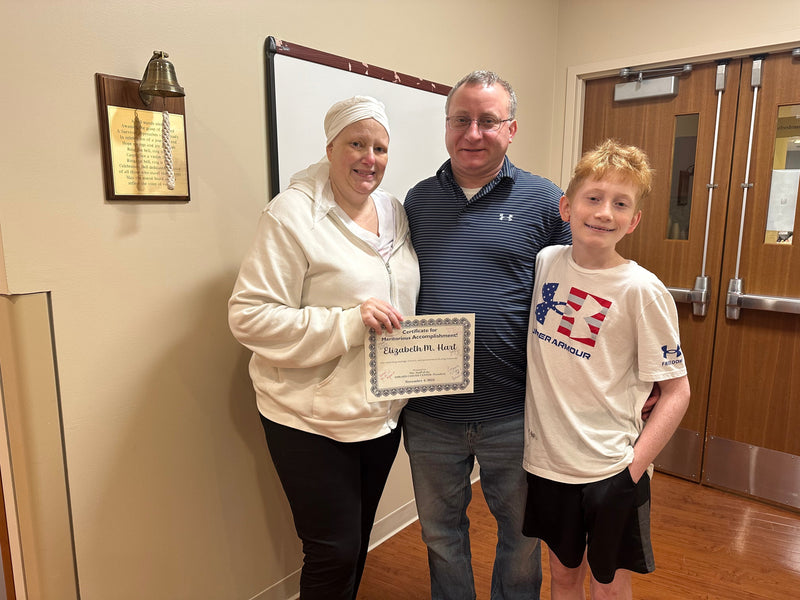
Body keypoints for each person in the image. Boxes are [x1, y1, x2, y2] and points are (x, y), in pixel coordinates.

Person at [227, 96, 419, 600]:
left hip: (378, 413)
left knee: (355, 546)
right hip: (308, 416)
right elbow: (249, 316)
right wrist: (348, 323)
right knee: (332, 550)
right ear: (331, 146)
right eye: (357, 144)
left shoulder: (395, 212)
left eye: (379, 147)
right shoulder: (291, 216)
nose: (369, 158)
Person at [402, 71, 571, 600]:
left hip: (514, 412)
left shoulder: (547, 200)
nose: (472, 132)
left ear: (512, 128)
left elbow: (576, 288)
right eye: (461, 120)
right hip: (431, 414)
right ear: (446, 125)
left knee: (521, 538)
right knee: (440, 535)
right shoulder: (417, 201)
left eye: (488, 121)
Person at [521, 140, 691, 599]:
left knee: (609, 583)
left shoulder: (642, 291)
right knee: (562, 576)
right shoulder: (546, 263)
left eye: (620, 203)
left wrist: (632, 469)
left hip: (611, 469)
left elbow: (676, 393)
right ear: (566, 206)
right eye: (593, 198)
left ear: (633, 220)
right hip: (548, 464)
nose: (603, 212)